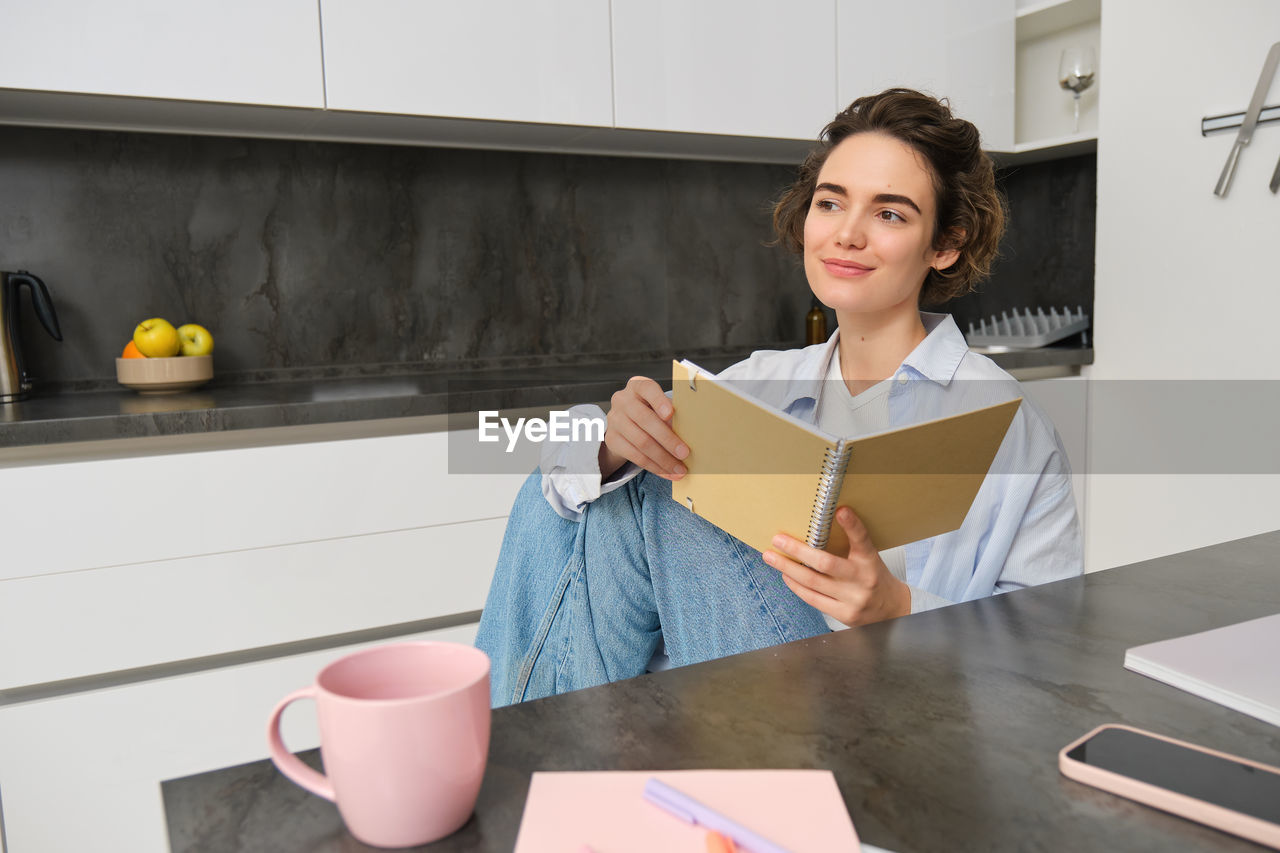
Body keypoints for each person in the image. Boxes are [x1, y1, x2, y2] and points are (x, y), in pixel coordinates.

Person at [476, 88, 1083, 707]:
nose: (847, 235)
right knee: (593, 476)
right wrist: (609, 440)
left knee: (660, 490)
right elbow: (557, 479)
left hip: (895, 715)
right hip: (733, 696)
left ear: (944, 245)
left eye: (890, 214)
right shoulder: (762, 381)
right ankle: (547, 752)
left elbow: (1047, 652)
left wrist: (897, 609)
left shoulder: (1008, 425)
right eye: (830, 204)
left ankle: (512, 749)